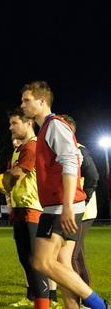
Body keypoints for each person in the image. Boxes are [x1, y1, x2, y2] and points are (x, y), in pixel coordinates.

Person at [20, 80, 108, 309]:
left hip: (60, 206)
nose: (22, 105)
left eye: (26, 100)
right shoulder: (47, 129)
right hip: (61, 204)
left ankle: (100, 305)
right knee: (62, 264)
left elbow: (71, 162)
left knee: (41, 261)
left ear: (41, 101)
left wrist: (68, 205)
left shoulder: (54, 126)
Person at [2, 109, 50, 308]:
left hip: (32, 209)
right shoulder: (21, 149)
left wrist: (5, 178)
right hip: (21, 210)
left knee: (36, 262)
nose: (11, 127)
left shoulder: (31, 147)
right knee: (27, 261)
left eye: (14, 123)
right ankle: (37, 301)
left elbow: (13, 177)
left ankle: (46, 303)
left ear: (28, 123)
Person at [60, 115, 99, 288]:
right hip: (73, 210)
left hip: (84, 211)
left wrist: (85, 200)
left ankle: (86, 297)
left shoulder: (80, 150)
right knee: (74, 253)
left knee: (72, 255)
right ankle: (84, 295)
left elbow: (93, 177)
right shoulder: (64, 151)